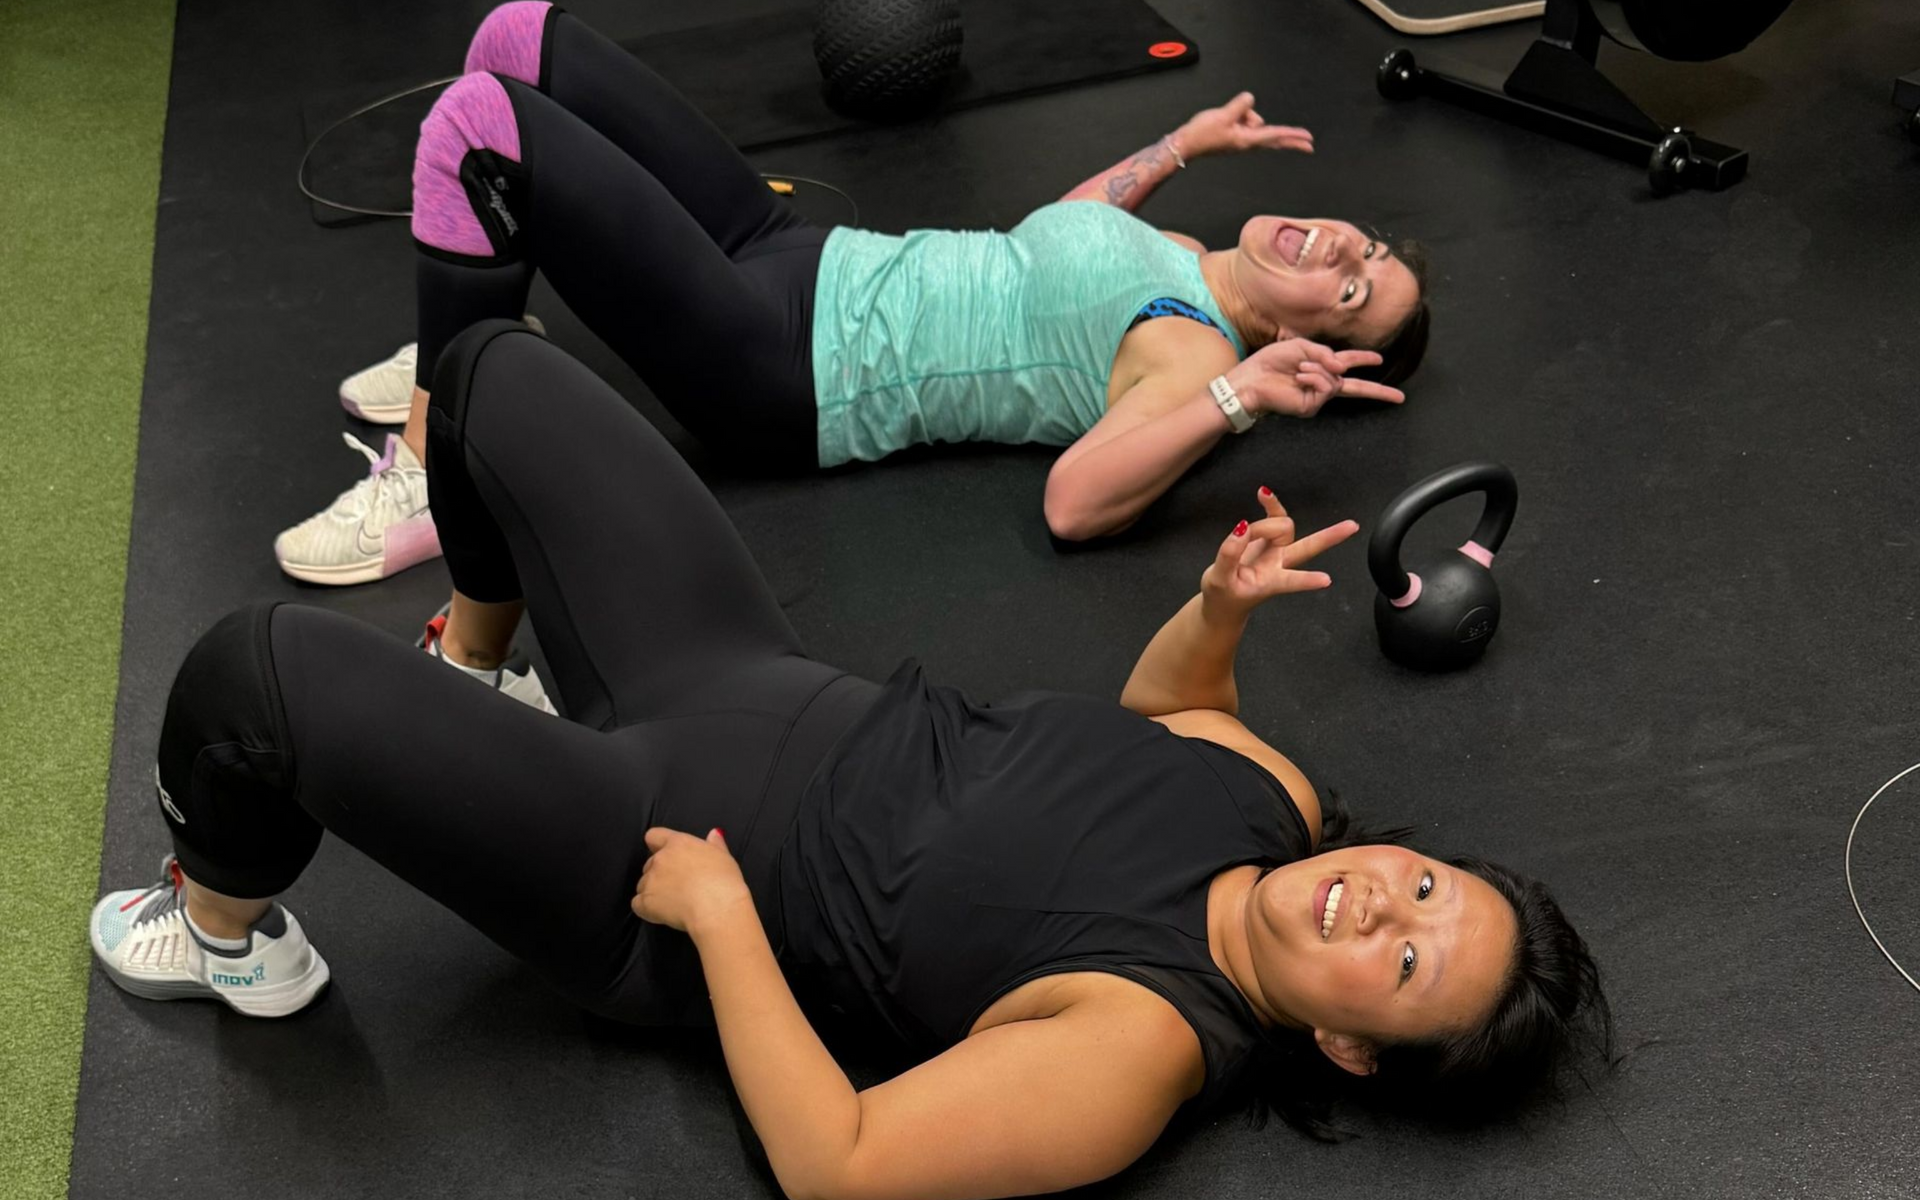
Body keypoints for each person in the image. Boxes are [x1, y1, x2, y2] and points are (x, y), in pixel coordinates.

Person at [99, 324, 1601, 1200]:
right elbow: (1163, 718)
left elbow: (847, 1159)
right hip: (740, 681)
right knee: (491, 367)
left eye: (1406, 966)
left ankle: (224, 931)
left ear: (1348, 1050)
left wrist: (722, 919)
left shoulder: (1142, 1049)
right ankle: (476, 664)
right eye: (1421, 884)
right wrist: (1211, 616)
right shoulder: (1268, 800)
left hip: (653, 867)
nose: (1380, 907)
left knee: (254, 674)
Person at [274, 1, 1427, 606]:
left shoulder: (1188, 356)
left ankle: (443, 459)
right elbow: (1056, 239)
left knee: (479, 128)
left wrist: (1240, 398)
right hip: (798, 256)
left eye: (1354, 288)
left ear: (1304, 339)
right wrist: (1179, 142)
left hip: (787, 368)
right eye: (1366, 244)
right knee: (521, 39)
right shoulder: (1174, 255)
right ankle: (463, 339)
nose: (1342, 246)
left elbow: (1075, 506)